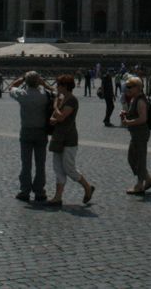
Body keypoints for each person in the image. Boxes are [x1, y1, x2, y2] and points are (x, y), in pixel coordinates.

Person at [45, 74, 95, 206]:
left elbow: (61, 117)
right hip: (58, 136)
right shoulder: (62, 98)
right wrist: (53, 116)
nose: (57, 87)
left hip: (69, 137)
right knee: (58, 168)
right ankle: (57, 197)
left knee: (69, 168)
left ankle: (87, 187)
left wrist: (55, 107)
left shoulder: (71, 100)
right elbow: (55, 117)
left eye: (59, 85)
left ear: (65, 86)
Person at [9, 71, 53, 202]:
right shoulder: (45, 95)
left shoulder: (22, 94)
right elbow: (56, 92)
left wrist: (22, 79)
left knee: (26, 163)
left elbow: (11, 87)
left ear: (26, 82)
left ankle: (25, 191)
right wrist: (44, 83)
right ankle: (40, 191)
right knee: (41, 163)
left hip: (26, 131)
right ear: (38, 81)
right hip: (41, 132)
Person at [120, 76, 151, 195]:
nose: (127, 89)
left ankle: (140, 185)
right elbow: (135, 114)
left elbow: (143, 118)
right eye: (127, 86)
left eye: (130, 87)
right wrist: (126, 114)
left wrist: (128, 122)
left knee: (139, 159)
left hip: (141, 133)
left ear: (138, 88)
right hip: (135, 134)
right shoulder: (134, 99)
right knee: (133, 158)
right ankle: (148, 180)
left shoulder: (140, 100)